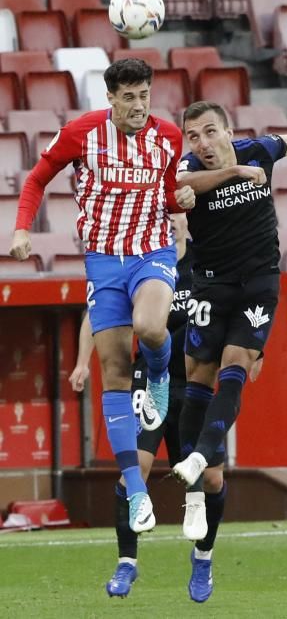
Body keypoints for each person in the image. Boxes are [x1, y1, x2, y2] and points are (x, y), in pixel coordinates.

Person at [9, 58, 195, 535]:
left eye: (144, 95)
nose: (138, 105)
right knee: (112, 372)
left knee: (151, 327)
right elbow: (36, 179)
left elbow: (168, 195)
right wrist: (22, 228)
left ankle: (157, 379)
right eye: (129, 97)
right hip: (103, 260)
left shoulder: (168, 136)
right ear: (110, 97)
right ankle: (136, 492)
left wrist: (182, 200)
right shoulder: (81, 133)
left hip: (151, 250)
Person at [70, 213, 263, 603]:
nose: (172, 220)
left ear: (187, 220)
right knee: (133, 470)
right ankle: (126, 562)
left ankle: (203, 556)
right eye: (165, 214)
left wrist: (255, 353)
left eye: (177, 214)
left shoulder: (205, 263)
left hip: (197, 383)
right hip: (150, 379)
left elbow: (234, 306)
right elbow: (97, 313)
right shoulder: (139, 261)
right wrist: (80, 361)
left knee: (209, 479)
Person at [172, 101, 287, 546]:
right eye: (193, 135)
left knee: (235, 364)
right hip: (211, 287)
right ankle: (195, 495)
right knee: (198, 376)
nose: (202, 143)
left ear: (229, 132)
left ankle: (197, 459)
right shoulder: (189, 170)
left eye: (210, 131)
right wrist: (228, 178)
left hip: (259, 284)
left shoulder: (260, 150)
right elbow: (177, 184)